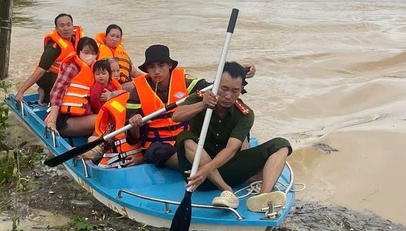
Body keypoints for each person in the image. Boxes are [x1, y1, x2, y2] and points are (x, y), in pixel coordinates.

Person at [171, 61, 292, 212]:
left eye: (234, 91)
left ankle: (264, 195)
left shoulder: (245, 114)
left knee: (281, 144)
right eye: (224, 89)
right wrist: (203, 105)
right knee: (185, 137)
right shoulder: (201, 97)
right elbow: (176, 116)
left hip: (222, 167)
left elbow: (232, 148)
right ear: (216, 84)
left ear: (241, 90)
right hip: (196, 174)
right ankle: (227, 190)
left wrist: (206, 169)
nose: (228, 96)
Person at [125, 45, 209, 169]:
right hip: (157, 146)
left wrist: (240, 73)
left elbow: (213, 86)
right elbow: (133, 139)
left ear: (169, 65)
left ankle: (200, 165)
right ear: (147, 69)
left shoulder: (186, 82)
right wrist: (134, 124)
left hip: (186, 139)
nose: (156, 71)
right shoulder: (137, 92)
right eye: (151, 67)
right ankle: (197, 166)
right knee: (161, 152)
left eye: (161, 66)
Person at [14, 13, 83, 104]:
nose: (66, 29)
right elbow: (40, 71)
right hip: (47, 77)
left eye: (68, 25)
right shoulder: (53, 48)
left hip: (66, 74)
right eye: (62, 26)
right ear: (56, 29)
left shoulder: (78, 38)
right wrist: (21, 91)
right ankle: (44, 92)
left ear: (72, 26)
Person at [44, 37, 100, 137]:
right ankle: (93, 149)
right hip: (65, 120)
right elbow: (57, 91)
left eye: (93, 53)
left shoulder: (96, 71)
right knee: (102, 119)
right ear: (79, 52)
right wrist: (52, 121)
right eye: (86, 52)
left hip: (83, 116)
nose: (90, 56)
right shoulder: (73, 68)